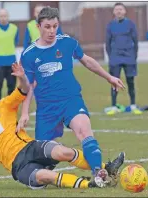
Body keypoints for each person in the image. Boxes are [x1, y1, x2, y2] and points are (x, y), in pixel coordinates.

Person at [0, 63, 125, 190]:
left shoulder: (3, 106)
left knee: (63, 151)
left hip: (31, 147)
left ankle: (106, 167)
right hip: (18, 166)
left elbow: (24, 90)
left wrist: (21, 77)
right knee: (45, 176)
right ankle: (90, 184)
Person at [18, 6, 125, 179]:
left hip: (71, 100)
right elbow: (29, 85)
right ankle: (108, 167)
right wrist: (24, 113)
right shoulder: (29, 55)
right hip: (46, 109)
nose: (52, 31)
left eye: (55, 26)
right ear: (38, 27)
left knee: (84, 132)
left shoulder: (67, 42)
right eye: (47, 27)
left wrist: (108, 77)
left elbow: (87, 61)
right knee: (44, 159)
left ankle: (98, 172)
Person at [106, 2, 142, 115]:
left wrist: (134, 56)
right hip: (115, 58)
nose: (119, 11)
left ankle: (132, 105)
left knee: (130, 81)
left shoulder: (131, 24)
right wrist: (111, 57)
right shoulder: (110, 25)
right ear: (114, 12)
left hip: (129, 57)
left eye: (121, 9)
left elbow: (135, 41)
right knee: (114, 82)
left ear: (125, 11)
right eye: (117, 9)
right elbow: (107, 43)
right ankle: (113, 106)